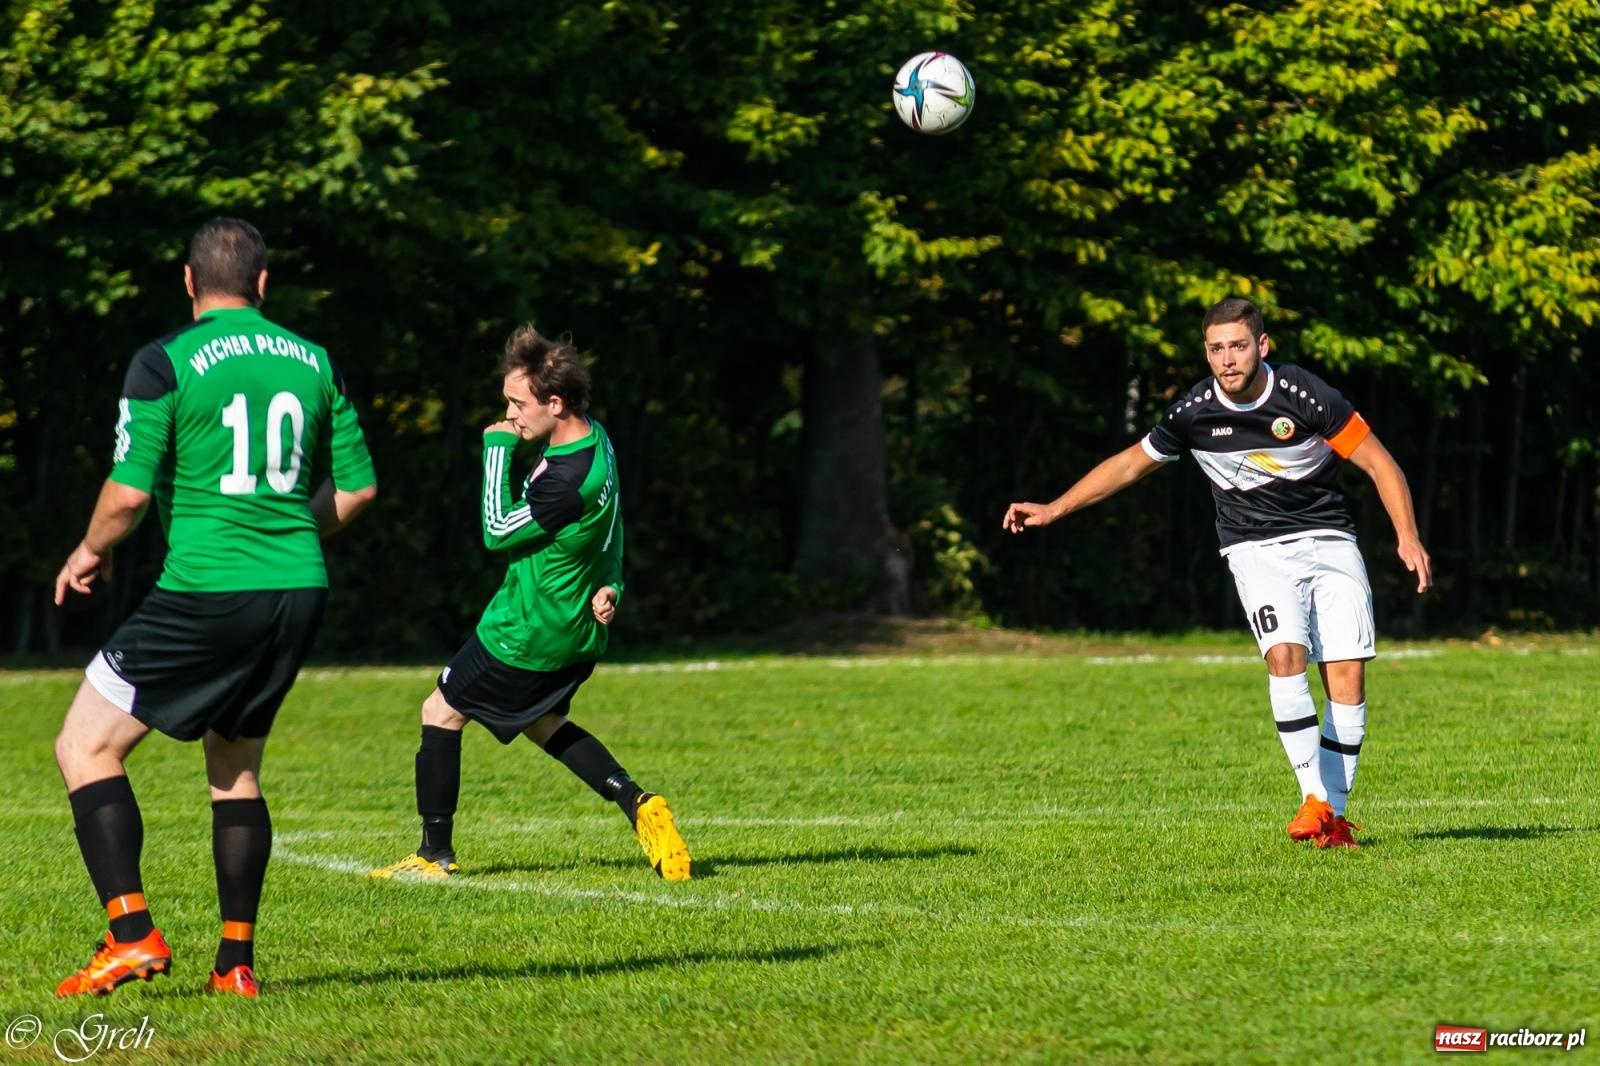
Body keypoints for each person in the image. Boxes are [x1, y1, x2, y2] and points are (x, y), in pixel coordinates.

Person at [51, 218, 378, 999]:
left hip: (208, 588)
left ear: (189, 282)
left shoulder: (164, 360)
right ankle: (234, 965)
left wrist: (88, 550)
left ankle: (131, 933)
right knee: (235, 769)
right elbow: (359, 489)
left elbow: (128, 494)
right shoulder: (314, 360)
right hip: (297, 591)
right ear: (263, 284)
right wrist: (287, 532)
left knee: (84, 746)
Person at [1002, 297, 1431, 849]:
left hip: (1328, 540)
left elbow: (1379, 461)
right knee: (1285, 656)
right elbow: (1131, 463)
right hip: (1255, 549)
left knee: (1347, 678)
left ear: (1262, 346)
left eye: (1238, 346)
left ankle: (1335, 820)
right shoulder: (1195, 413)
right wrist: (1055, 508)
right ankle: (1315, 798)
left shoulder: (1306, 395)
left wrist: (1407, 534)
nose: (1227, 359)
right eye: (1216, 348)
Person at [370, 324, 691, 883]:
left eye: (518, 404)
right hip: (573, 629)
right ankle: (639, 803)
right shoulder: (596, 439)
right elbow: (613, 524)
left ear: (556, 403)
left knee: (440, 712)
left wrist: (496, 449)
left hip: (525, 632)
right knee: (543, 722)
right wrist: (613, 582)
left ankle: (433, 855)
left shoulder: (567, 479)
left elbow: (497, 530)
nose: (510, 415)